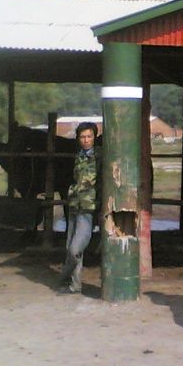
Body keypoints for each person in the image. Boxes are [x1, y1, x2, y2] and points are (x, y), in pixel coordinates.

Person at [58, 122, 101, 294]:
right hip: (74, 206)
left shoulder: (100, 157)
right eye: (82, 137)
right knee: (70, 248)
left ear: (94, 137)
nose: (86, 140)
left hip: (89, 209)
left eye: (89, 136)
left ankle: (63, 277)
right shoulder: (78, 157)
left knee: (75, 249)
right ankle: (74, 285)